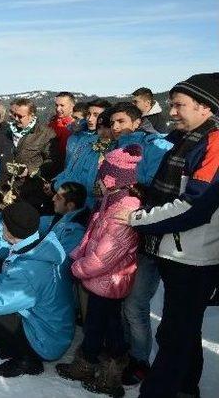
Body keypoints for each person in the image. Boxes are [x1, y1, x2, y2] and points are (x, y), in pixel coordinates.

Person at [120, 73, 219, 397]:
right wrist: (144, 194)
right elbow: (173, 191)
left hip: (194, 258)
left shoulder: (215, 143)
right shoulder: (185, 138)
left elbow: (195, 206)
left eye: (179, 105)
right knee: (184, 332)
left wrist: (136, 218)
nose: (171, 112)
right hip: (174, 249)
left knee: (174, 335)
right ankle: (187, 389)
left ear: (206, 107)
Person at [57, 146, 143, 397]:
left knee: (101, 326)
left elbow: (104, 256)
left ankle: (107, 375)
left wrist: (78, 267)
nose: (97, 182)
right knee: (103, 323)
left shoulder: (123, 212)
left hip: (108, 280)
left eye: (101, 177)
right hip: (102, 280)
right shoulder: (111, 201)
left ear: (111, 179)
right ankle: (95, 364)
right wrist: (77, 256)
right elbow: (93, 238)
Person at [0, 201, 75, 378]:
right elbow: (11, 279)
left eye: (3, 224)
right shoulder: (39, 247)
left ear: (10, 231)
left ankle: (26, 358)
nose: (0, 226)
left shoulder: (29, 270)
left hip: (45, 341)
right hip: (55, 330)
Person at [5, 98, 59, 176]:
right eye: (15, 115)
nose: (16, 119)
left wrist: (30, 170)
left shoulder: (45, 133)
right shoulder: (9, 131)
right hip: (9, 181)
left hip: (30, 183)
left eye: (20, 116)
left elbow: (52, 160)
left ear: (32, 115)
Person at [49, 92, 76, 162]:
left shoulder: (78, 126)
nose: (58, 109)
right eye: (56, 105)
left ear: (72, 106)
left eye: (62, 105)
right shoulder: (52, 124)